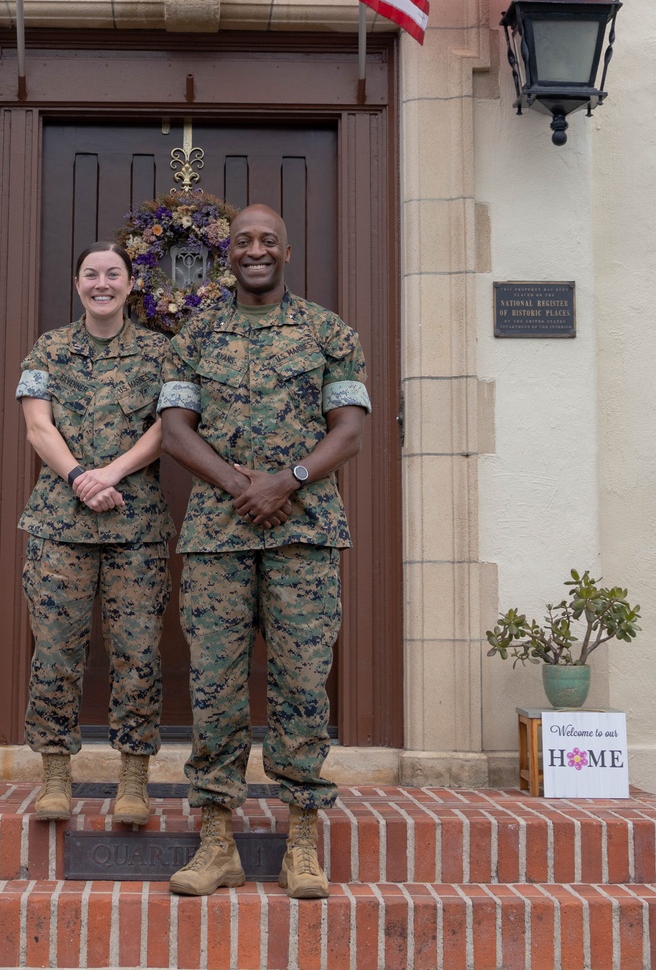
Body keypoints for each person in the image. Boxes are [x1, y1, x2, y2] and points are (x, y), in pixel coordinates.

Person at [158, 204, 370, 898]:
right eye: (244, 240)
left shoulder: (327, 331)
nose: (255, 250)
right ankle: (216, 842)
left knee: (303, 686)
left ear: (286, 252)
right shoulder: (195, 334)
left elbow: (350, 429)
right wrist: (238, 485)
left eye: (267, 241)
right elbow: (174, 429)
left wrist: (289, 481)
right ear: (230, 254)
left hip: (303, 541)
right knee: (215, 687)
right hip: (219, 540)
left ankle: (301, 841)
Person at [16, 242, 173, 825]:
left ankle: (132, 781)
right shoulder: (49, 348)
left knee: (137, 654)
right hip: (60, 526)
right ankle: (56, 776)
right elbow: (38, 425)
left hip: (136, 526)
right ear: (76, 283)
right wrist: (82, 478)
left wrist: (112, 473)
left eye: (113, 274)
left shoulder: (161, 352)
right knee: (56, 651)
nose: (101, 283)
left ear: (131, 284)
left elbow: (170, 426)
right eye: (91, 274)